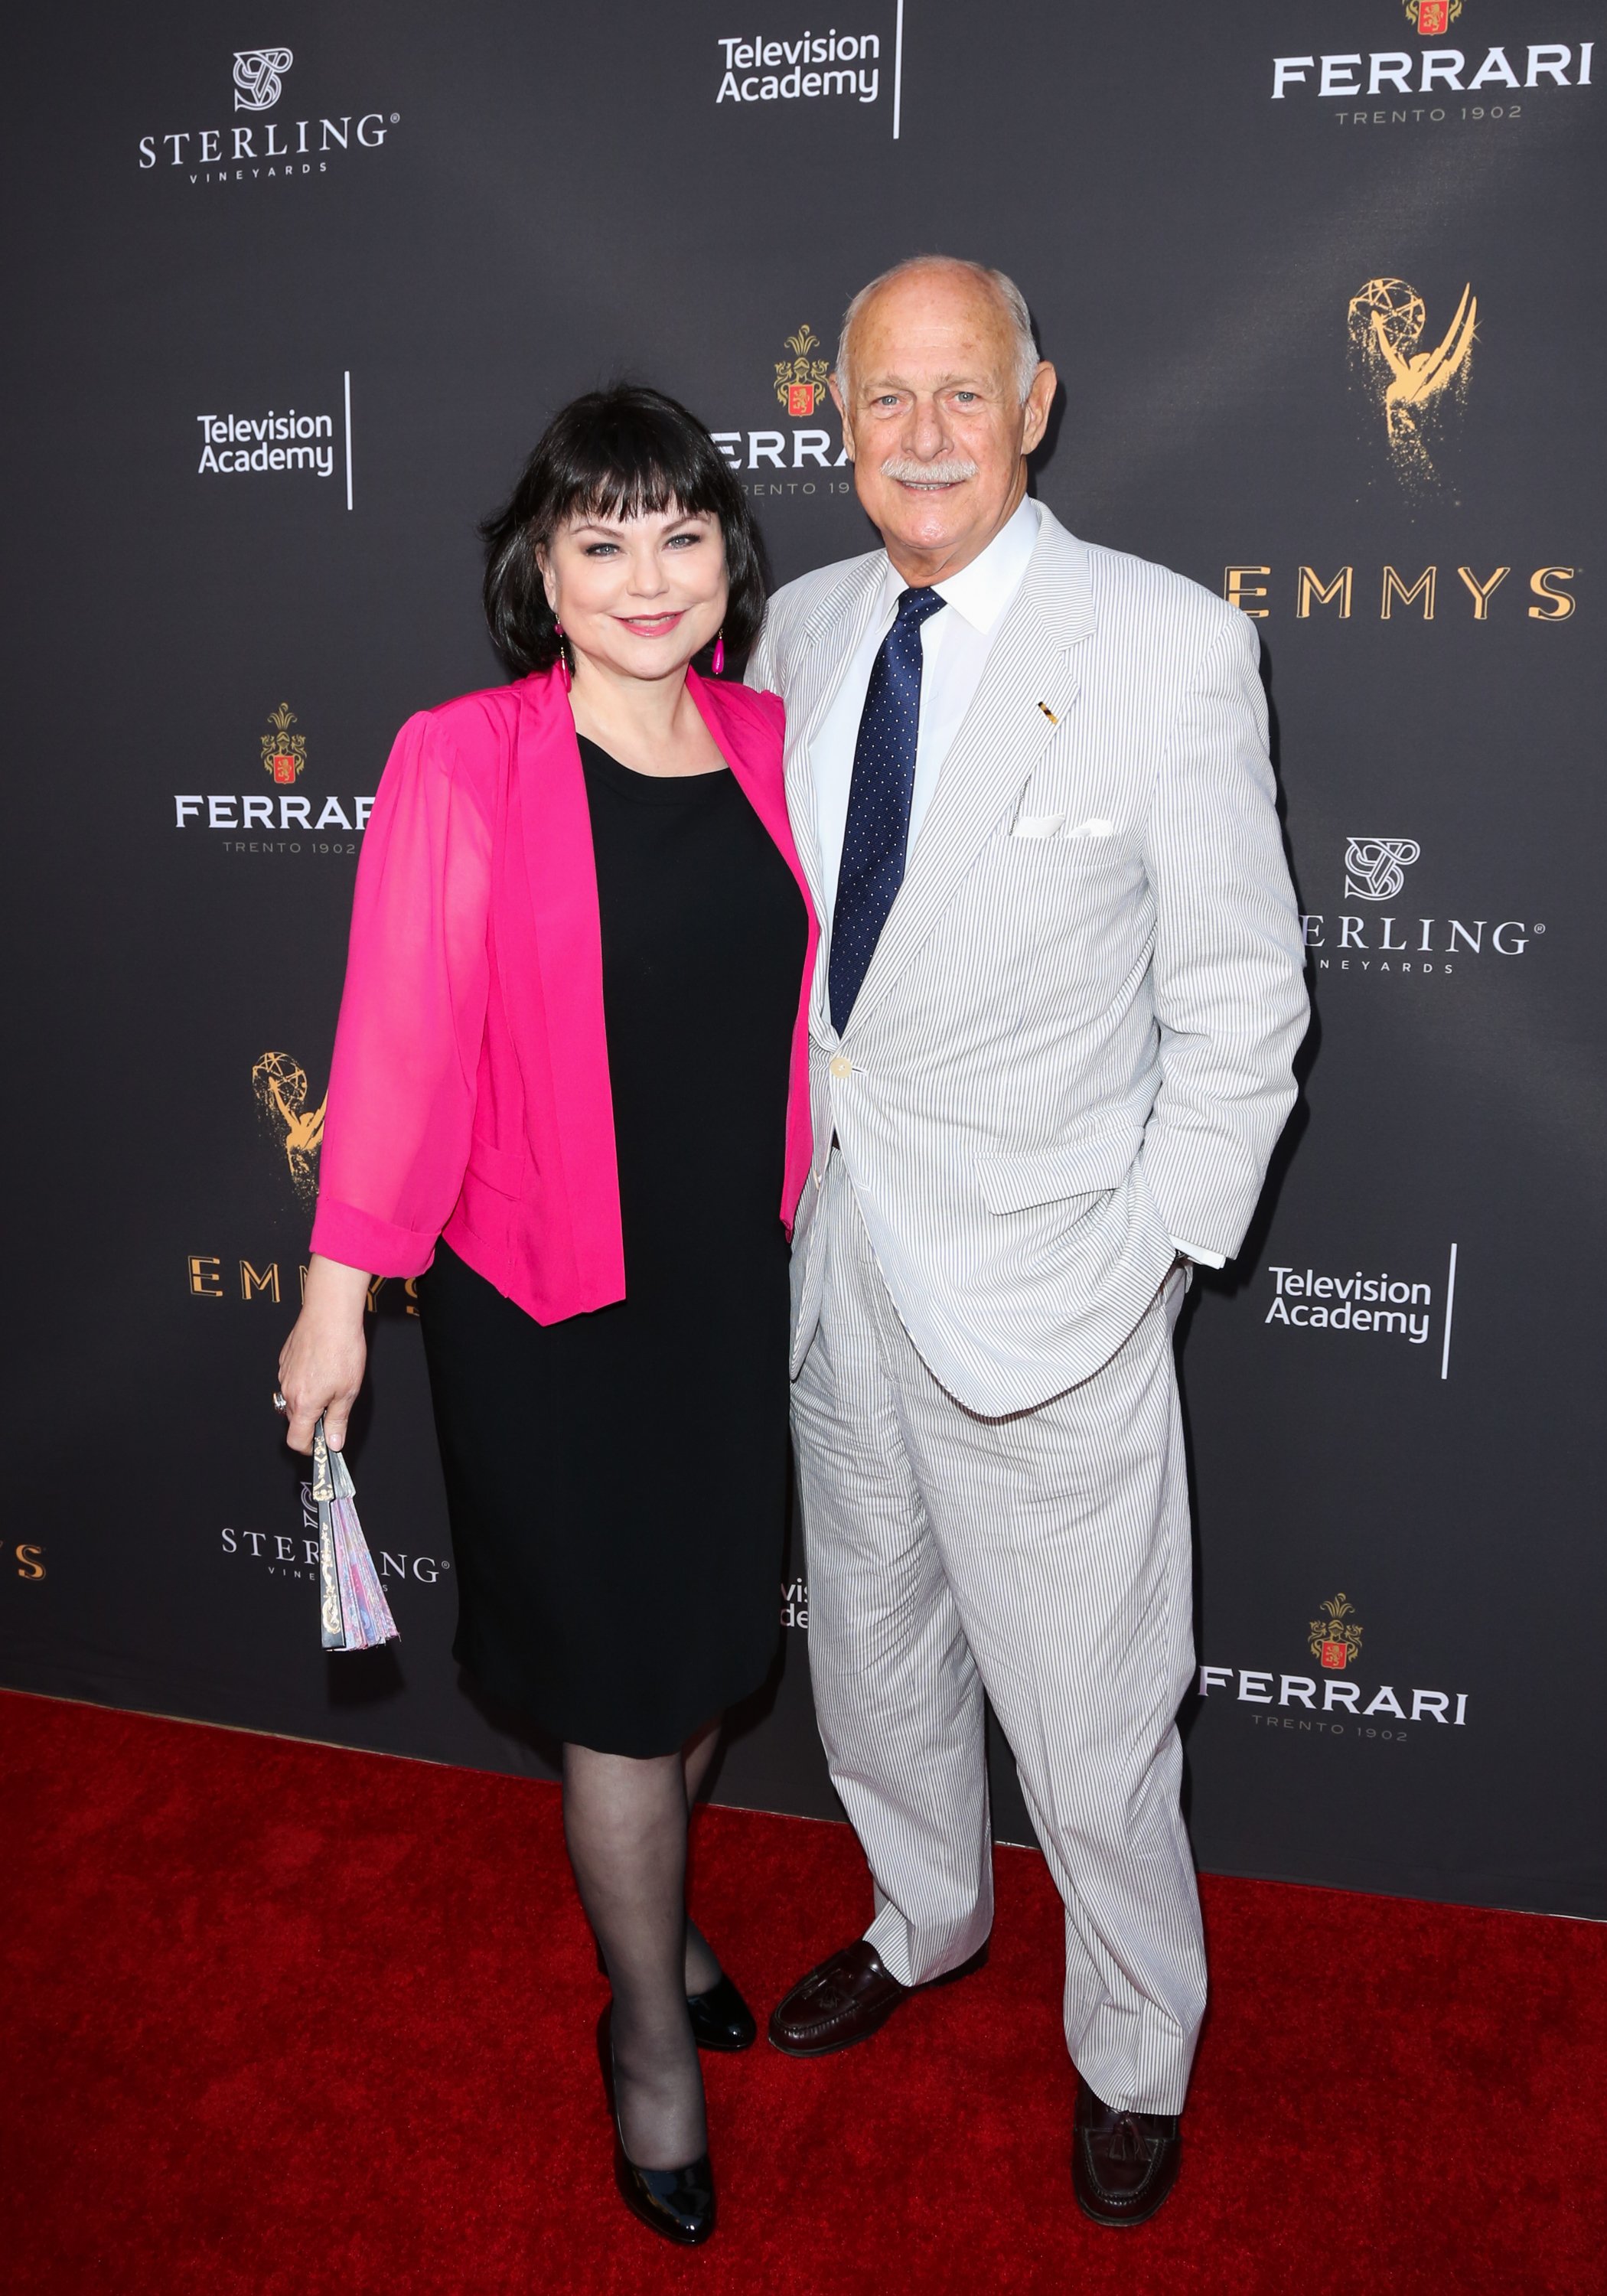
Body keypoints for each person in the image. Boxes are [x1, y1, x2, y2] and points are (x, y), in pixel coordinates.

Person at [748, 257, 1308, 2228]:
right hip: (840, 1276)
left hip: (1057, 1293)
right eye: (883, 398)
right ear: (834, 417)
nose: (920, 436)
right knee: (880, 1668)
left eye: (960, 396)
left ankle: (1137, 2039)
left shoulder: (1166, 646)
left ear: (1037, 401)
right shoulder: (802, 629)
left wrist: (1153, 1255)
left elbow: (1242, 1003)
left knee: (1094, 1729)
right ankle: (922, 1916)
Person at [274, 386, 817, 2249]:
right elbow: (400, 1039)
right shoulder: (467, 756)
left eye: (680, 535)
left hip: (739, 1294)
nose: (646, 576)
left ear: (727, 562)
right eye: (603, 542)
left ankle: (653, 1918)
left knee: (706, 1668)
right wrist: (338, 1296)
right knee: (616, 1695)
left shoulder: (775, 734)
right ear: (544, 575)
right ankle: (647, 2034)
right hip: (549, 1302)